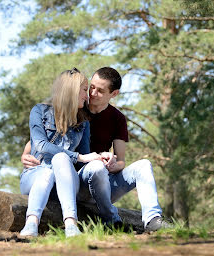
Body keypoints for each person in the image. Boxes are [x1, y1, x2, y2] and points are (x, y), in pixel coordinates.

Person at [22, 67, 170, 232]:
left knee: (143, 165)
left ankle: (152, 219)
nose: (92, 93)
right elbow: (45, 138)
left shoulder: (117, 118)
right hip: (72, 177)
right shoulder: (76, 106)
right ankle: (111, 220)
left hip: (98, 179)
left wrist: (112, 161)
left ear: (113, 94)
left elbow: (120, 160)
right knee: (91, 166)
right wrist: (26, 153)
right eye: (91, 87)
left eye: (100, 90)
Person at [19, 67, 103, 238]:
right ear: (72, 90)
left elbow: (82, 161)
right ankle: (31, 224)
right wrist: (78, 156)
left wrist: (100, 158)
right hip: (35, 175)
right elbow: (40, 144)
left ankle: (71, 225)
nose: (87, 96)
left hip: (65, 183)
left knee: (61, 158)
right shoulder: (39, 111)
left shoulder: (83, 123)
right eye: (84, 90)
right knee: (47, 172)